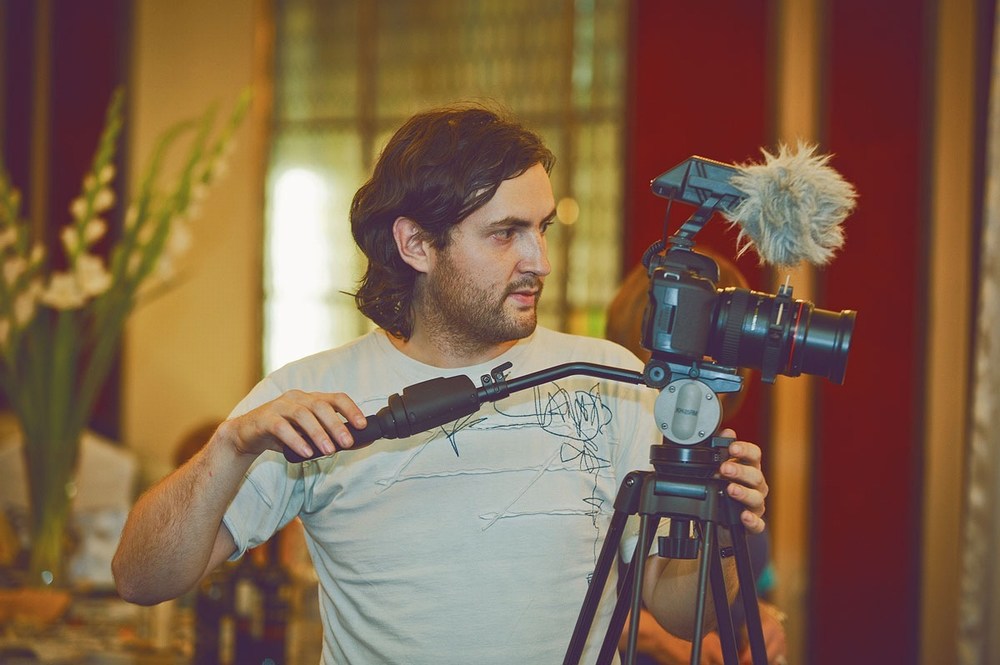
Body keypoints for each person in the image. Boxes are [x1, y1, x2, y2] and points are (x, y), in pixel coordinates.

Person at [112, 105, 769, 664]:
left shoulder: (613, 381)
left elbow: (681, 611)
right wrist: (228, 447)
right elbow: (141, 579)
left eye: (542, 228)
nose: (540, 260)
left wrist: (726, 531)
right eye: (506, 234)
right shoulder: (311, 394)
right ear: (417, 245)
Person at [606, 258, 788, 664]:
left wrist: (764, 618)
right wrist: (658, 637)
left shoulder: (727, 459)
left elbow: (755, 582)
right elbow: (570, 598)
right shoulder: (608, 449)